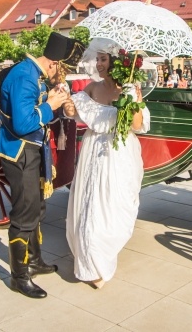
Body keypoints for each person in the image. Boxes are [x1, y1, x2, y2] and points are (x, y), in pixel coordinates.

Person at [0, 32, 85, 299]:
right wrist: (50, 105)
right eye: (63, 69)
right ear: (53, 62)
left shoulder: (34, 74)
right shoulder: (24, 76)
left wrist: (55, 102)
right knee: (24, 213)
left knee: (37, 206)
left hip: (33, 150)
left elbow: (34, 112)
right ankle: (19, 277)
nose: (63, 75)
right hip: (19, 152)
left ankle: (34, 260)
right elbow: (22, 124)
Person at [63, 38, 150, 289]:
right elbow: (72, 111)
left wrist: (131, 98)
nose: (99, 64)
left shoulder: (131, 88)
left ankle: (104, 252)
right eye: (97, 58)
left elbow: (136, 126)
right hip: (94, 150)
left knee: (114, 204)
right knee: (90, 205)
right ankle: (92, 263)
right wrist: (61, 92)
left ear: (116, 62)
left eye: (103, 59)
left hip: (120, 153)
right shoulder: (92, 88)